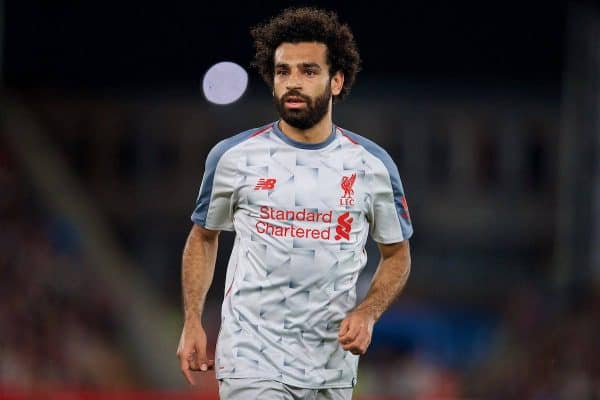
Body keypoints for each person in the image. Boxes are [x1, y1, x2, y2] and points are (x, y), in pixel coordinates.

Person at [176, 7, 413, 399]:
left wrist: (368, 314)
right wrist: (192, 320)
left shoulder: (372, 166)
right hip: (252, 360)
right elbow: (203, 237)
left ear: (336, 81)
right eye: (283, 71)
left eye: (308, 71)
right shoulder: (233, 157)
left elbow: (397, 255)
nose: (292, 83)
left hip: (332, 368)